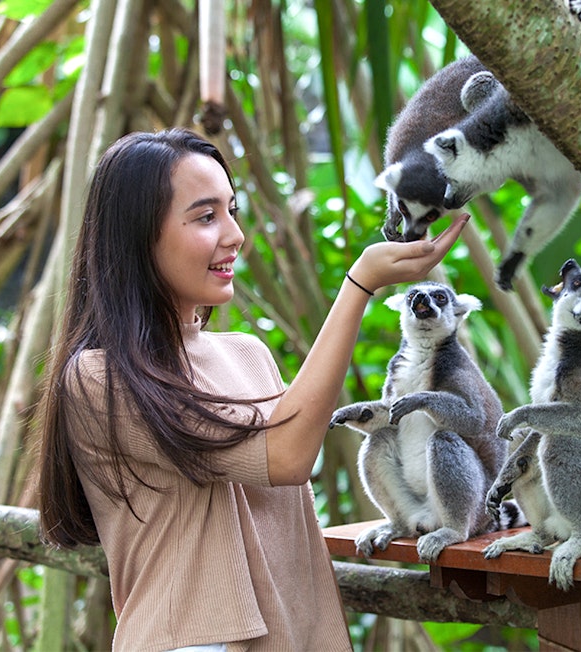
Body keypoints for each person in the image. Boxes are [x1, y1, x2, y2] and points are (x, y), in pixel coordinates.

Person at [36, 127, 468, 651]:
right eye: (204, 216)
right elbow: (286, 455)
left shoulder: (246, 354)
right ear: (138, 235)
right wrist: (359, 286)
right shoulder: (99, 378)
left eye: (232, 210)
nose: (235, 234)